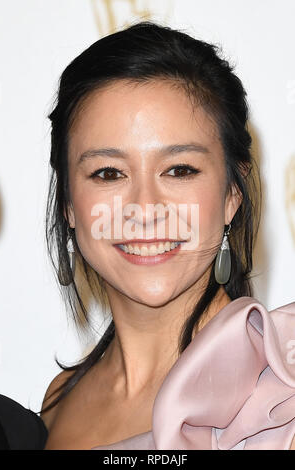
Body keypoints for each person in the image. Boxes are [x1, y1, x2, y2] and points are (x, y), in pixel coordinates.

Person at [40, 20, 295, 450]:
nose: (145, 209)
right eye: (108, 173)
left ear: (233, 193)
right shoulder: (57, 402)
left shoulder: (282, 396)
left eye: (179, 170)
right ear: (68, 203)